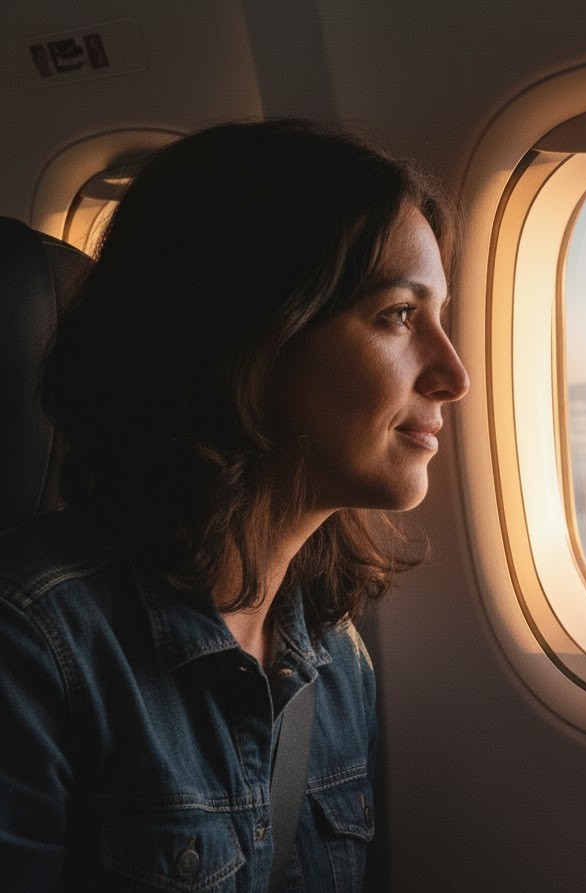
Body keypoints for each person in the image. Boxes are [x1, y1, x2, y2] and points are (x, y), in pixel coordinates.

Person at [0, 119, 469, 891]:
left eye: (440, 318)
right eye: (397, 315)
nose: (453, 373)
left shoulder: (332, 652)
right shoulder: (33, 651)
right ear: (251, 334)